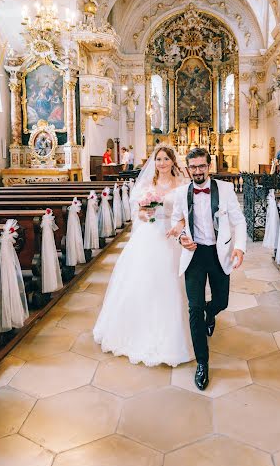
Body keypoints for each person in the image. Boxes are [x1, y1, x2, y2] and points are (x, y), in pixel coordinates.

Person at [93, 146, 194, 367]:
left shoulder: (182, 185)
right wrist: (144, 213)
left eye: (166, 159)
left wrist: (179, 226)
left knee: (171, 283)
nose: (162, 163)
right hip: (150, 236)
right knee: (144, 281)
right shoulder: (148, 185)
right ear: (154, 162)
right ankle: (138, 330)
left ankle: (175, 333)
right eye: (158, 159)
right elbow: (138, 213)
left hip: (173, 238)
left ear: (172, 161)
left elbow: (188, 214)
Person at [168, 148, 246, 390]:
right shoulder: (182, 193)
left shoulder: (225, 189)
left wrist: (240, 247)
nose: (198, 171)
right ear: (188, 168)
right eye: (194, 167)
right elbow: (175, 219)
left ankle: (211, 314)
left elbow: (239, 220)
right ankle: (202, 363)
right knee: (195, 308)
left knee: (221, 301)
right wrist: (181, 236)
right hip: (194, 254)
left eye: (202, 166)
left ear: (208, 166)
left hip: (218, 253)